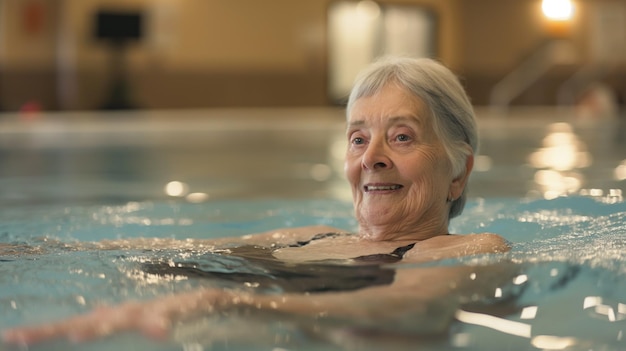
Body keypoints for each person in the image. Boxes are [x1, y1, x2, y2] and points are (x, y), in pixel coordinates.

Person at [2, 56, 510, 346]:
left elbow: (399, 304)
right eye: (358, 139)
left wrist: (226, 301)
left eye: (401, 137)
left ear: (458, 173)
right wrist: (37, 253)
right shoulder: (310, 240)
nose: (371, 158)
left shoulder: (469, 250)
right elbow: (168, 252)